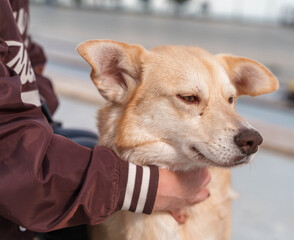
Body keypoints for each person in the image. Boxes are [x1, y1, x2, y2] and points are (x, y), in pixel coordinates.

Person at [0, 0, 210, 239]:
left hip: (24, 126)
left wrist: (38, 105)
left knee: (88, 145)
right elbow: (11, 159)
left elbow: (23, 52)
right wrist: (147, 189)